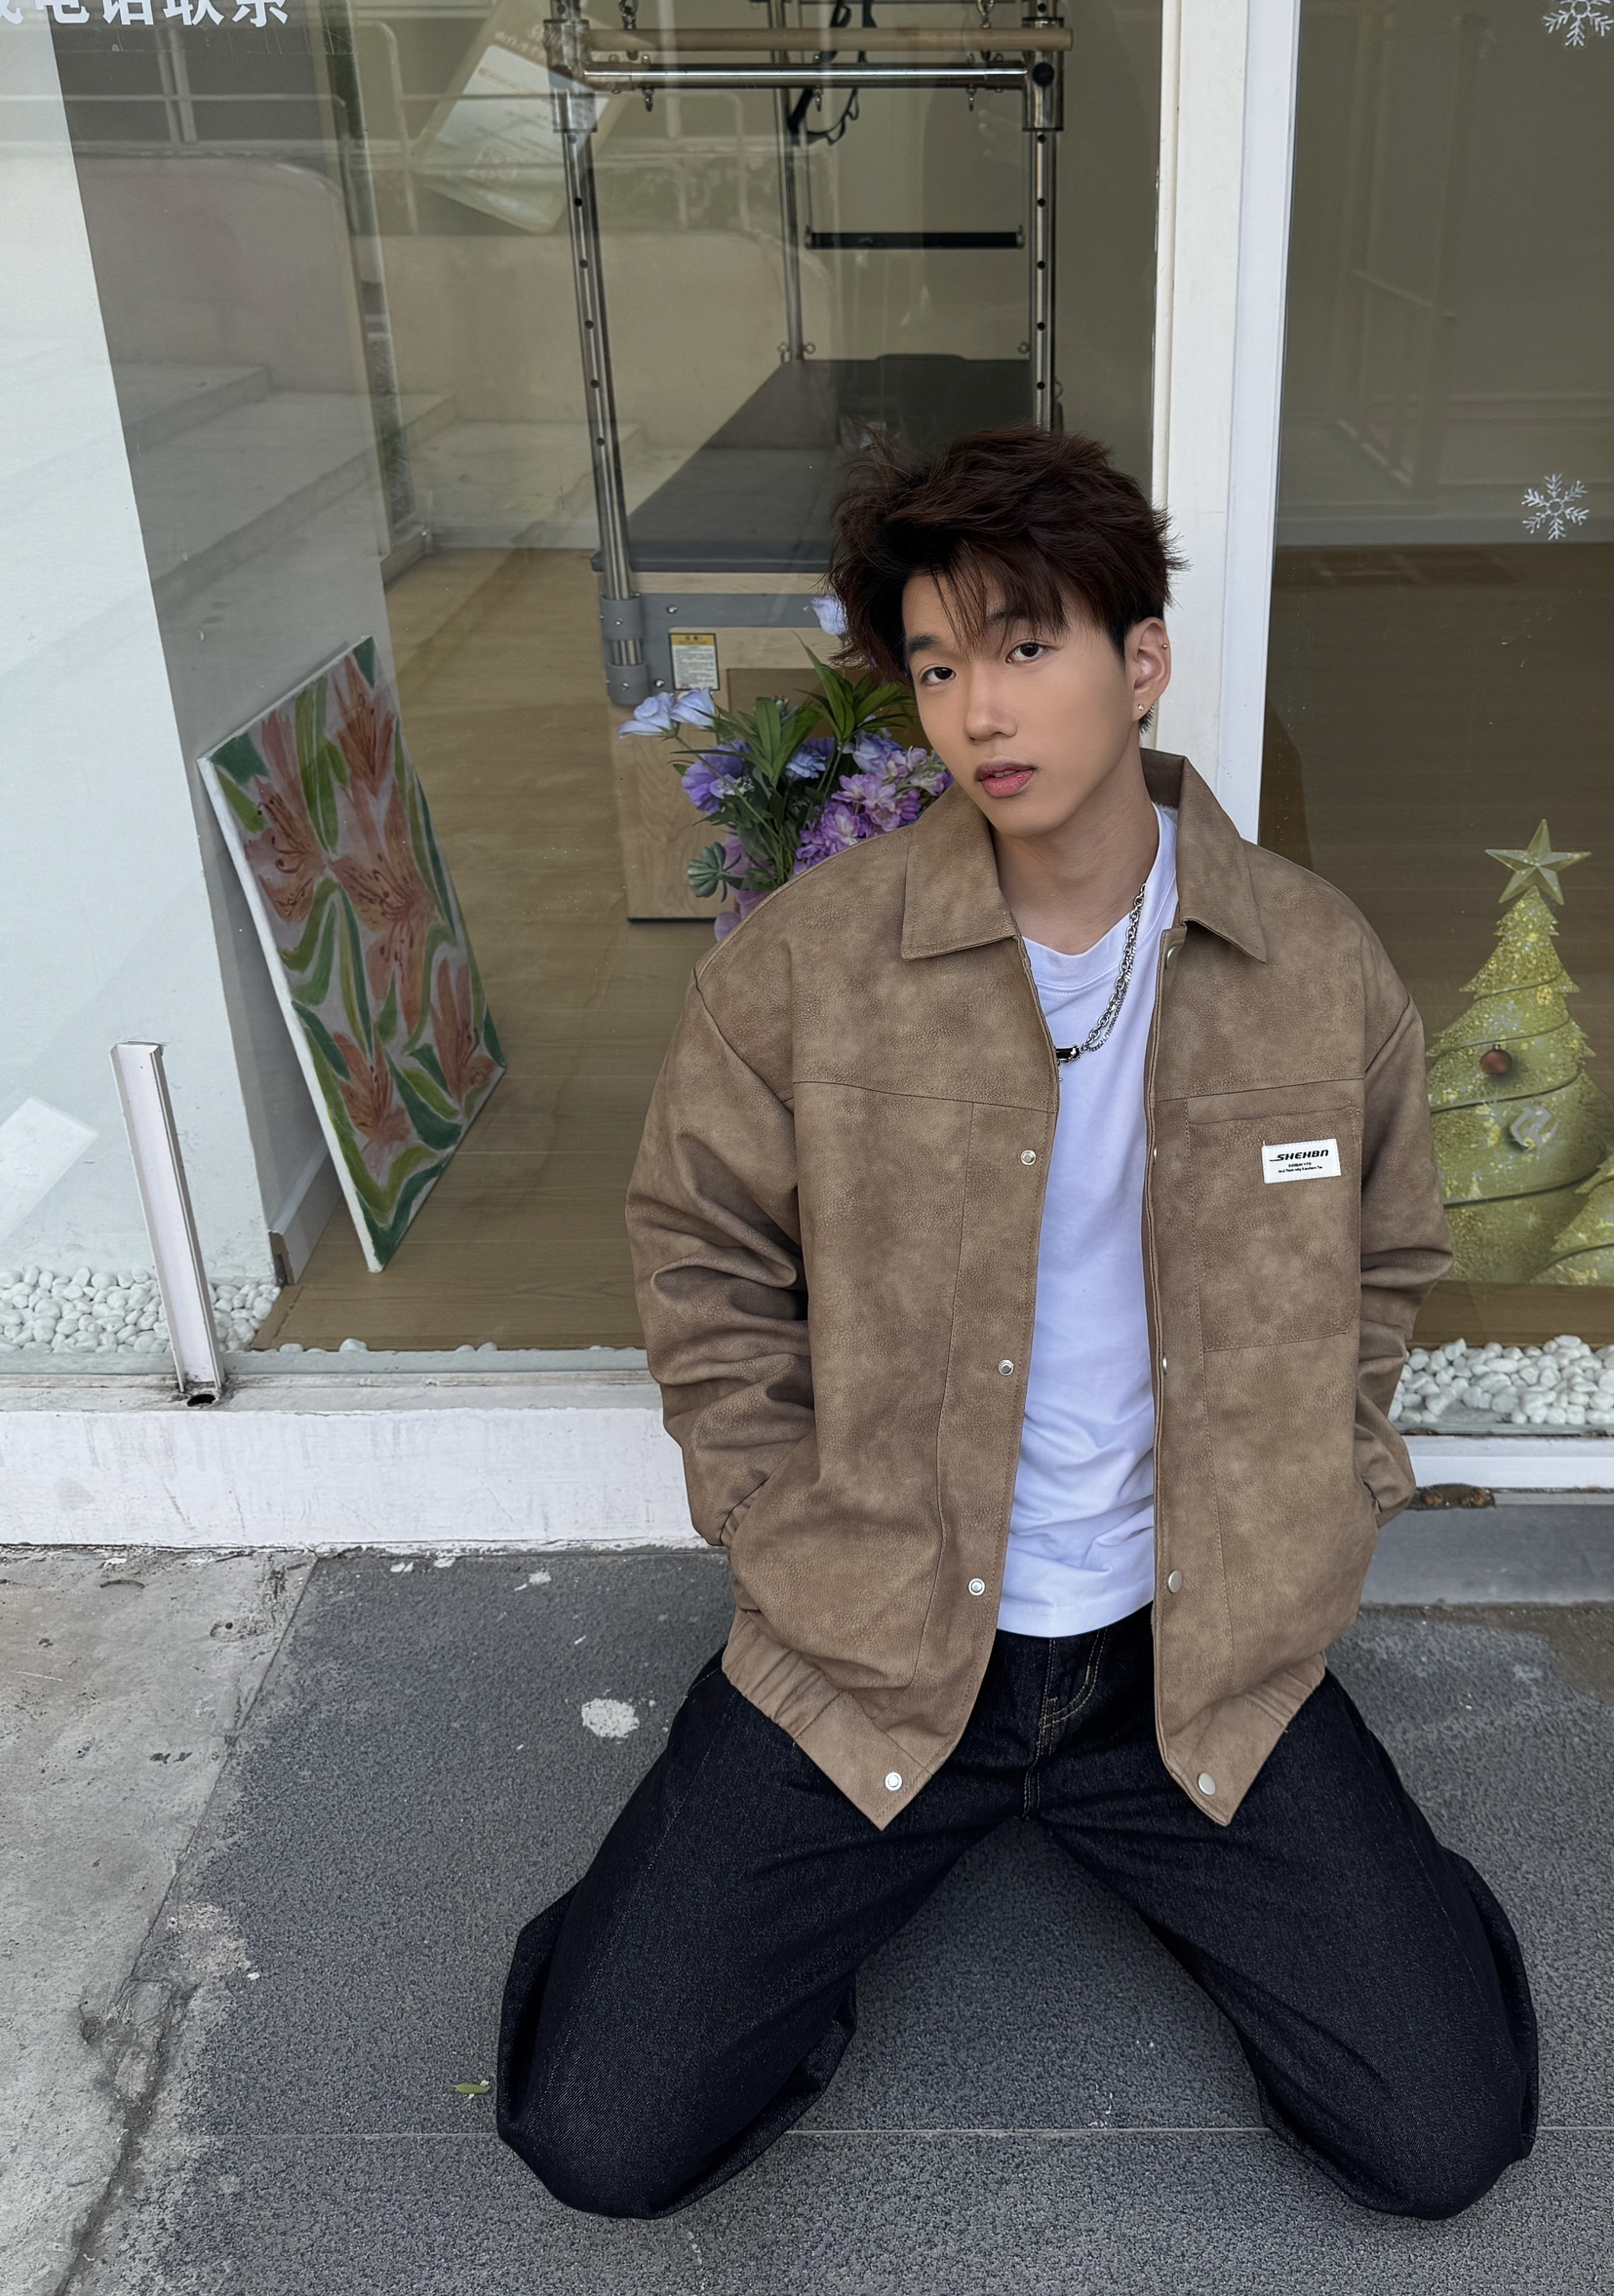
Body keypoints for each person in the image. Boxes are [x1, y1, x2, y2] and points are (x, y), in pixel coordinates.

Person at [495, 426, 1538, 2221]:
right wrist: (772, 1515)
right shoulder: (808, 967)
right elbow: (702, 1256)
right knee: (599, 2133)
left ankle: (1266, 1876)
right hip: (878, 1634)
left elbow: (1384, 1257)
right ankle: (785, 1901)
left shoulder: (1313, 963)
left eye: (1026, 646)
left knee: (1444, 2134)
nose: (977, 708)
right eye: (934, 666)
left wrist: (1331, 1477)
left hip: (1190, 1655)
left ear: (1141, 661)